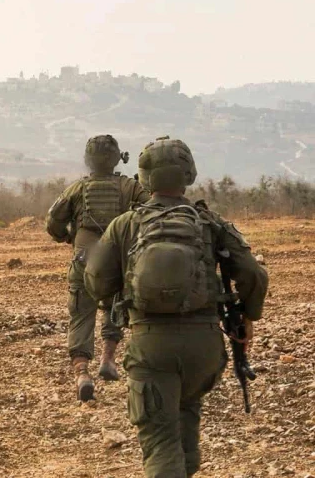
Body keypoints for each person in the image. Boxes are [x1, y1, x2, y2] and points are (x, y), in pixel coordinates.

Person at [84, 137, 268, 477]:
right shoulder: (210, 223)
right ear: (188, 174)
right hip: (204, 348)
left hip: (150, 347)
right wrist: (248, 316)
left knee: (160, 443)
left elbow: (95, 278)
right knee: (185, 424)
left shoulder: (125, 225)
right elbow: (253, 274)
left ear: (143, 177)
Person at [46, 135, 149, 401]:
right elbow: (151, 213)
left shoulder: (76, 189)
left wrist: (68, 238)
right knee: (115, 305)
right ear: (117, 158)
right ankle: (108, 359)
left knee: (81, 315)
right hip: (118, 260)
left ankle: (82, 373)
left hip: (82, 260)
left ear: (88, 159)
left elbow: (53, 222)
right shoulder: (131, 187)